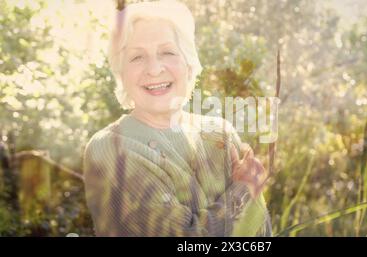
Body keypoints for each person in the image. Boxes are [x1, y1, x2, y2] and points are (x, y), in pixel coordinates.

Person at [83, 0, 271, 236]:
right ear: (121, 73)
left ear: (189, 65)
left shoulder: (220, 133)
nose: (154, 69)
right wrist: (245, 190)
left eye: (168, 52)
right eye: (137, 57)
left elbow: (260, 234)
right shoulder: (111, 148)